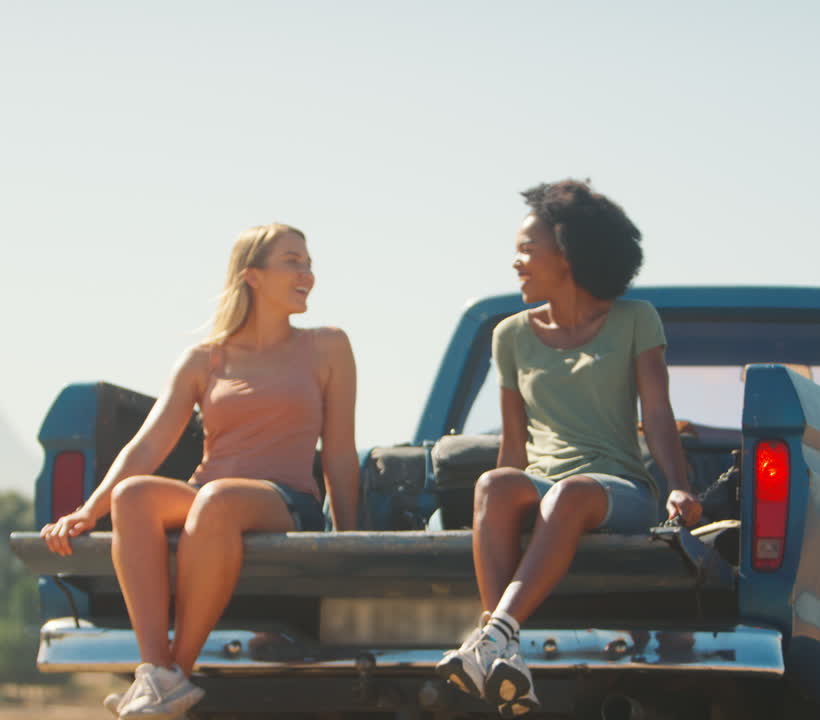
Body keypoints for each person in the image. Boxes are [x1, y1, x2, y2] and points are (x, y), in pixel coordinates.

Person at [39, 223, 358, 720]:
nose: (308, 274)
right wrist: (88, 511)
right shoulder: (204, 359)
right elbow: (147, 444)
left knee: (217, 499)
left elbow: (339, 452)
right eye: (293, 262)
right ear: (253, 276)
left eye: (309, 263)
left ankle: (175, 675)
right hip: (209, 496)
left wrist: (352, 543)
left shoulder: (328, 347)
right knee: (132, 496)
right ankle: (155, 671)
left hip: (285, 500)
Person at [435, 181, 702, 717]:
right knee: (493, 484)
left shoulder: (635, 319)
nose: (516, 262)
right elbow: (513, 443)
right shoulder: (510, 335)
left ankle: (492, 637)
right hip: (544, 483)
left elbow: (656, 415)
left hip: (617, 489)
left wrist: (678, 486)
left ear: (567, 253)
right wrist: (500, 504)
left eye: (526, 249)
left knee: (570, 493)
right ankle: (503, 652)